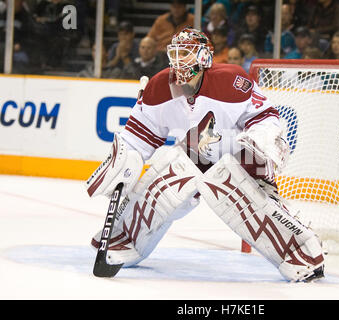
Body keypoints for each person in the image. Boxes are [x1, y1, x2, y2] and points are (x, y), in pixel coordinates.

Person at [86, 27, 325, 282]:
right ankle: (125, 236)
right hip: (198, 152)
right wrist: (125, 160)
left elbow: (265, 116)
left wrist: (260, 140)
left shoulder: (231, 81)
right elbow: (137, 136)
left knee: (235, 191)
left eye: (186, 54)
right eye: (175, 53)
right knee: (172, 171)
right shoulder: (160, 87)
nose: (179, 61)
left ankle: (301, 251)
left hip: (241, 155)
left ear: (203, 57)